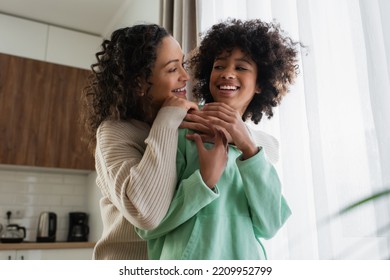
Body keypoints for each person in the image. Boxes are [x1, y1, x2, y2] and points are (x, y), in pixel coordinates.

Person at [136, 18, 300, 259]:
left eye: (241, 68)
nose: (227, 74)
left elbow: (270, 225)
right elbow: (148, 223)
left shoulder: (257, 149)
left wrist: (247, 147)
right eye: (219, 66)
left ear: (260, 84)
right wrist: (203, 181)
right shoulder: (182, 125)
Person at [80, 23, 223, 259]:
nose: (185, 77)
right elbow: (147, 214)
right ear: (138, 84)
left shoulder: (182, 120)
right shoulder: (113, 132)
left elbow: (268, 148)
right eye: (172, 69)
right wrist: (166, 120)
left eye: (183, 65)